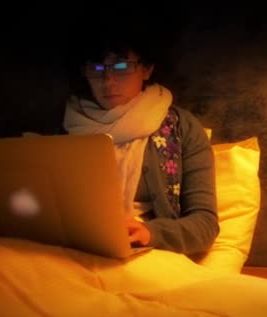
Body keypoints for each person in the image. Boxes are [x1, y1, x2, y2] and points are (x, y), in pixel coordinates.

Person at [62, 24, 219, 256]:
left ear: (146, 69)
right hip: (75, 254)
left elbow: (205, 225)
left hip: (150, 254)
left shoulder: (180, 127)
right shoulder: (66, 127)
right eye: (97, 67)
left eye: (122, 66)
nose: (108, 80)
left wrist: (149, 233)